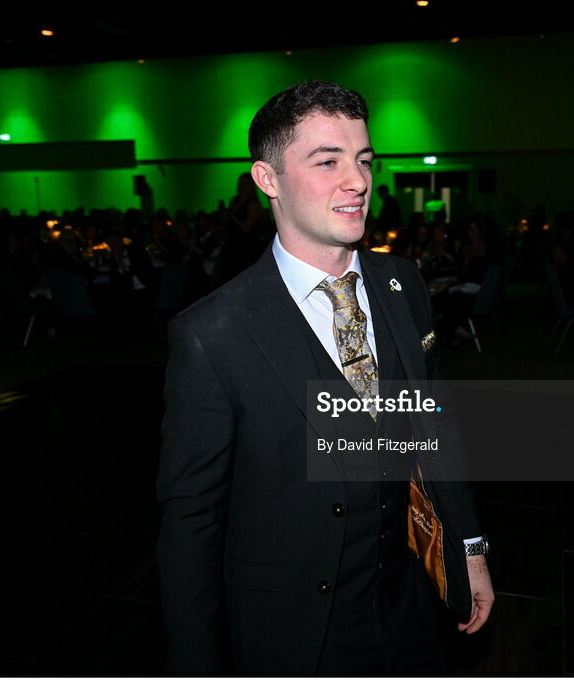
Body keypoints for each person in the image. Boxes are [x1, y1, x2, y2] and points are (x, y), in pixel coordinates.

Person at [156, 80, 493, 676]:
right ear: (268, 180)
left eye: (363, 160)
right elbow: (191, 523)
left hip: (410, 603)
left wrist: (468, 549)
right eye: (327, 161)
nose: (358, 181)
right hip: (296, 630)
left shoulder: (403, 286)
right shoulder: (213, 334)